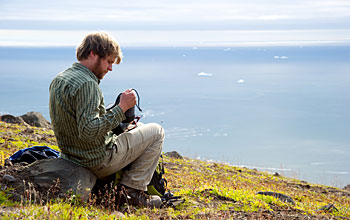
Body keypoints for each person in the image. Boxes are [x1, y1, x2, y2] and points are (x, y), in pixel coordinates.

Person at [49, 32, 164, 208]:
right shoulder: (87, 84)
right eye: (109, 61)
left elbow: (78, 121)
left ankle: (118, 186)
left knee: (137, 127)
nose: (110, 68)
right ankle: (131, 193)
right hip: (97, 159)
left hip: (71, 155)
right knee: (156, 131)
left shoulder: (61, 78)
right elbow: (88, 131)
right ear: (93, 53)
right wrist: (121, 108)